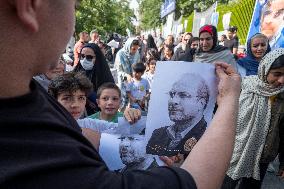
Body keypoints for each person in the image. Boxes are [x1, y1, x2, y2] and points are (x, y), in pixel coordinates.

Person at [0, 1, 241, 189]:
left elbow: (92, 134)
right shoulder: (46, 162)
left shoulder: (34, 109)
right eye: (75, 5)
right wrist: (230, 101)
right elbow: (194, 182)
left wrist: (139, 140)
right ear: (29, 4)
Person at [222, 48, 284, 189]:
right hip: (234, 152)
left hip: (262, 158)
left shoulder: (282, 97)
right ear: (264, 69)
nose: (282, 80)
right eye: (277, 74)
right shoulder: (245, 86)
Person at [146, 73, 209, 157]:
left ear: (201, 103)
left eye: (183, 95)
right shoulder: (158, 134)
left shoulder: (207, 136)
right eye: (172, 95)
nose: (173, 101)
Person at [115, 38, 140, 110]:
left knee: (133, 101)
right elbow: (118, 71)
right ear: (128, 46)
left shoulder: (137, 53)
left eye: (136, 49)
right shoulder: (120, 54)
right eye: (133, 49)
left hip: (134, 81)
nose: (134, 51)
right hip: (124, 81)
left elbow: (137, 65)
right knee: (123, 101)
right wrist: (126, 75)